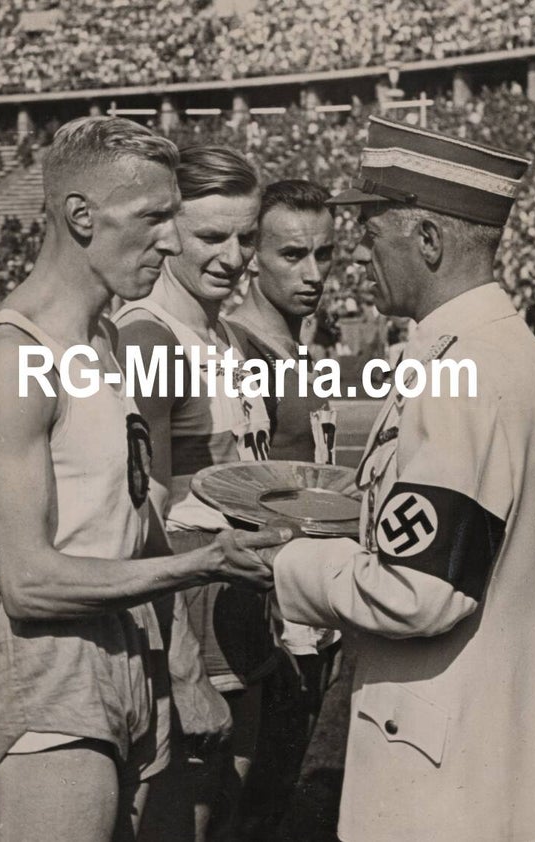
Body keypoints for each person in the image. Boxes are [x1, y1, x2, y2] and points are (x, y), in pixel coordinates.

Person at [0, 117, 287, 842]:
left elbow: (133, 518)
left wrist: (178, 667)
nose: (170, 240)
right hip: (48, 655)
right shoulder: (15, 356)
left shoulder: (103, 339)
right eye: (154, 218)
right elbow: (28, 580)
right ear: (81, 216)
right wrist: (193, 566)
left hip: (131, 638)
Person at [233, 116, 535, 842]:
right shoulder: (519, 358)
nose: (359, 264)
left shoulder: (462, 375)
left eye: (374, 239)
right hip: (498, 737)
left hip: (440, 760)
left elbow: (420, 590)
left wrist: (288, 564)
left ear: (430, 242)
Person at [114, 145, 274, 840]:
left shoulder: (227, 335)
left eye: (245, 236)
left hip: (240, 603)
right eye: (212, 237)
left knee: (230, 810)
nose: (235, 256)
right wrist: (182, 671)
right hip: (187, 610)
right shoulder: (148, 336)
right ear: (168, 231)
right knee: (190, 820)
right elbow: (138, 517)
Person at [227, 178, 343, 837]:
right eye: (292, 255)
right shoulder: (244, 352)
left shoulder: (304, 350)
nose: (314, 273)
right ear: (253, 256)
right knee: (263, 806)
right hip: (278, 619)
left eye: (324, 254)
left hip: (318, 607)